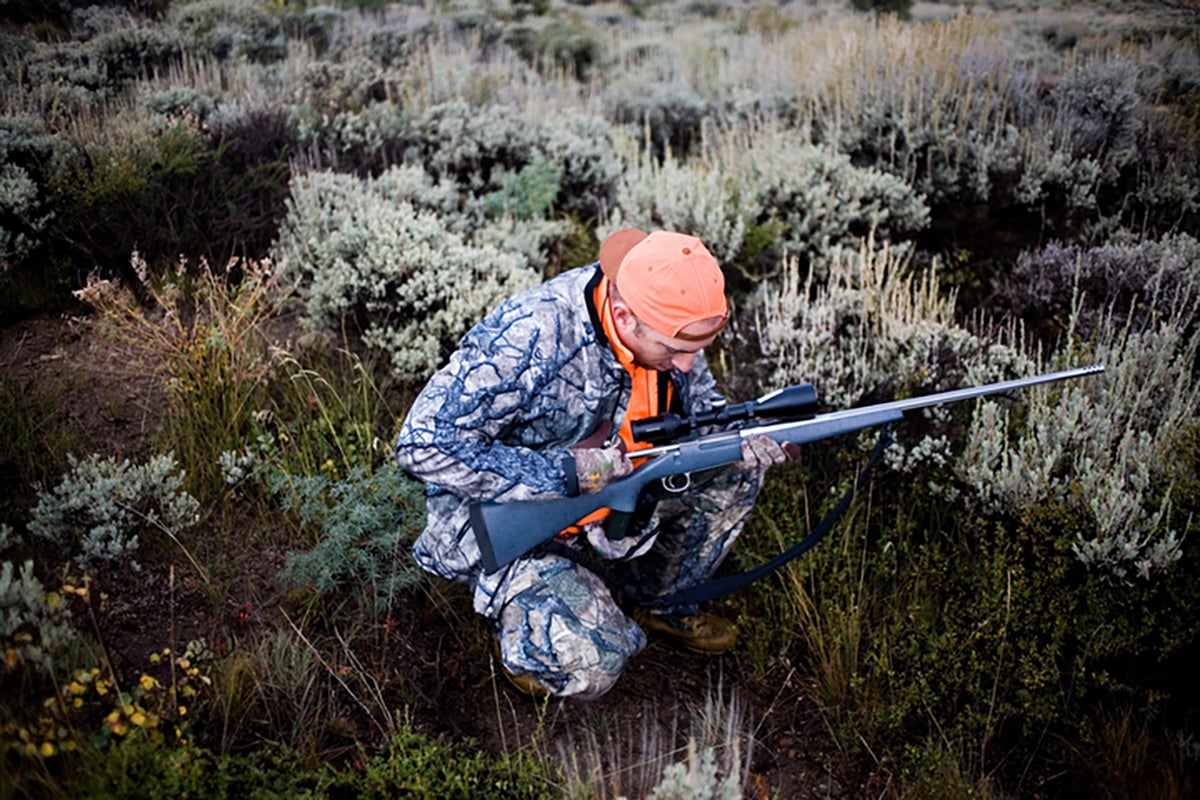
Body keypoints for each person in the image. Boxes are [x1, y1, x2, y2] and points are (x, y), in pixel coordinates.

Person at [394, 229, 796, 700]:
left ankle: (659, 602)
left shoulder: (669, 323)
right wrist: (565, 475)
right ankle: (530, 634)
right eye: (673, 350)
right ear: (625, 316)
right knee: (597, 662)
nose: (688, 365)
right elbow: (423, 442)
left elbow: (696, 413)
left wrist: (746, 440)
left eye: (696, 350)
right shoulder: (533, 335)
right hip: (515, 522)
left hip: (619, 497)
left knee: (735, 466)